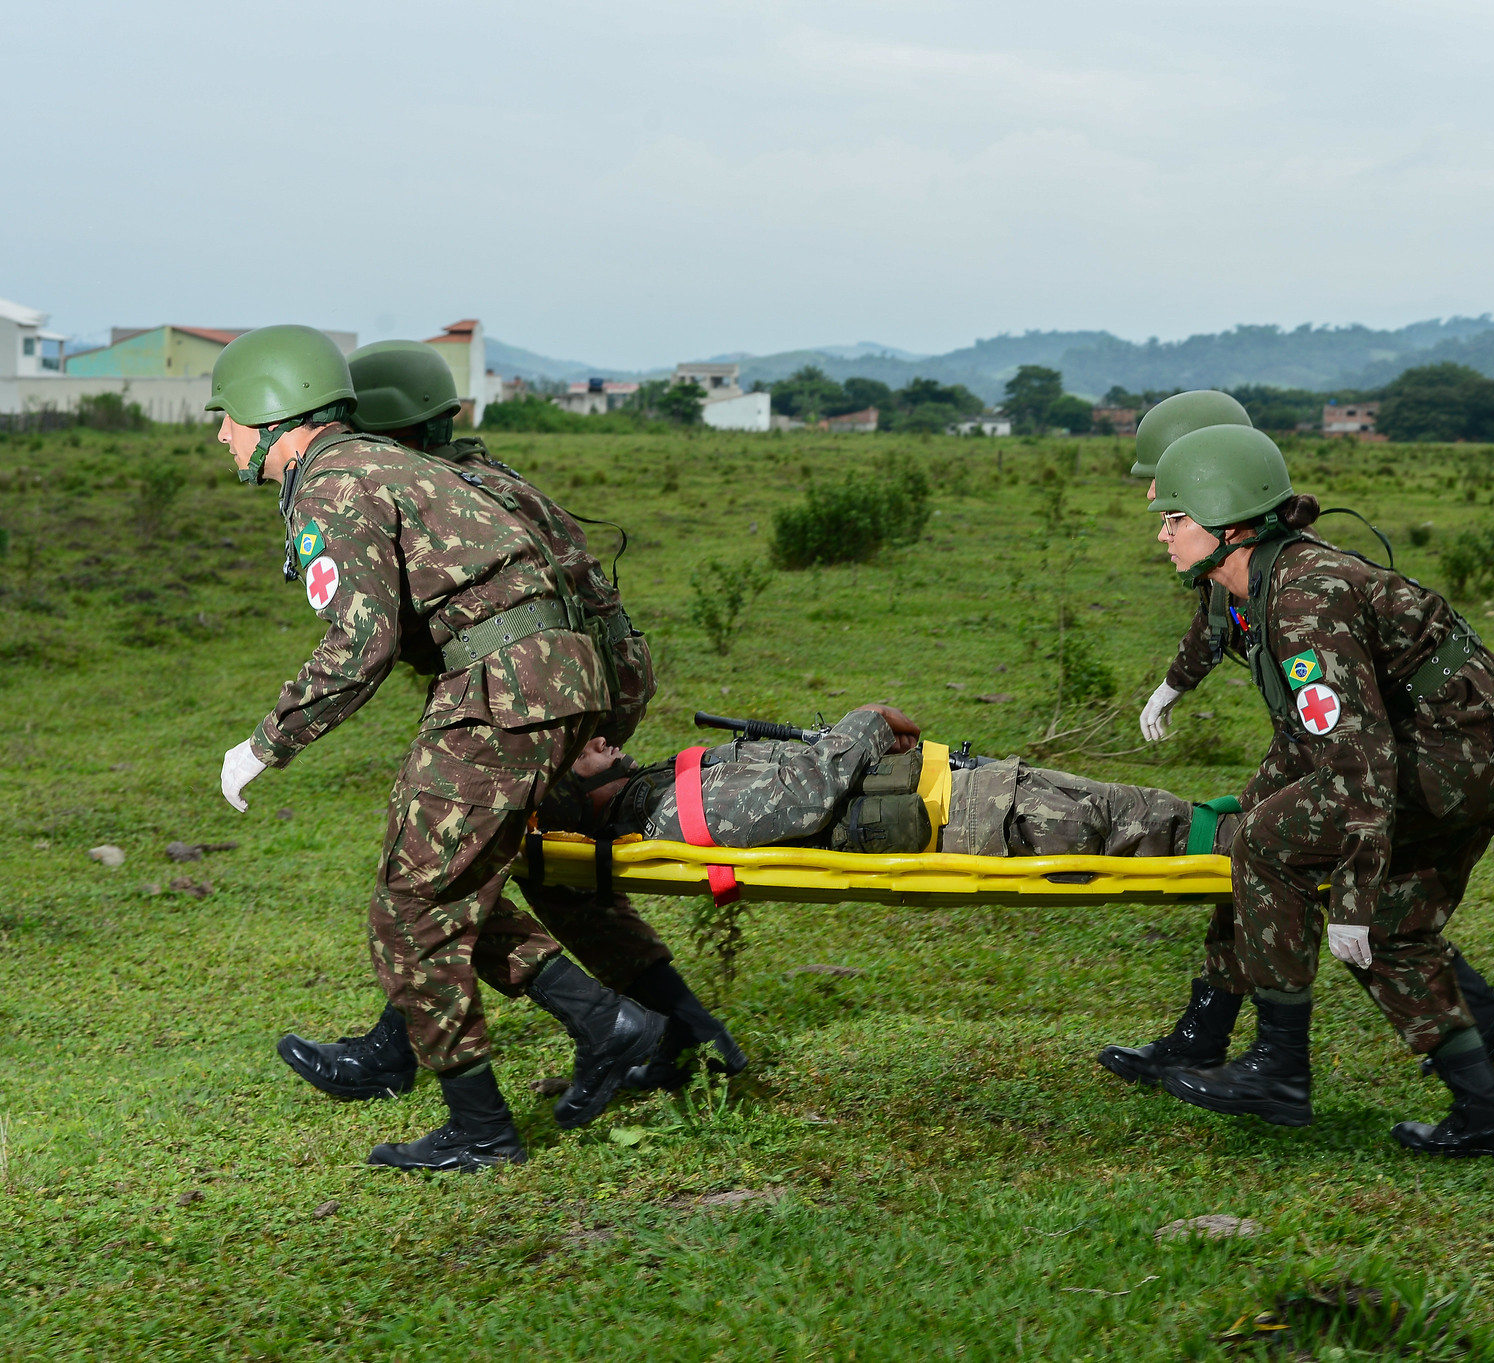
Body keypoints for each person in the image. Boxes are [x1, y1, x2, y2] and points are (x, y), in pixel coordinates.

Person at [210, 325, 665, 1172]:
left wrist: (267, 742)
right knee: (448, 893)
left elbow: (360, 643)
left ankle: (483, 1130)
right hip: (535, 679)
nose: (222, 436)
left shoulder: (334, 485)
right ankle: (611, 1023)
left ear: (273, 412)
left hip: (504, 690)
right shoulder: (371, 465)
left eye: (227, 417)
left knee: (408, 911)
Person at [273, 340, 743, 1105]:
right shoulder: (476, 479)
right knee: (494, 864)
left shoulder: (438, 487)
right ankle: (684, 1033)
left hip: (543, 697)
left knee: (462, 869)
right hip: (571, 687)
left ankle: (648, 1032)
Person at [1102, 393, 1494, 1094]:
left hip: (1455, 747)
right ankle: (1205, 1035)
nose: (1154, 507)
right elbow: (1220, 624)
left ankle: (1282, 1067)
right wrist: (1174, 684)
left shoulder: (1303, 594)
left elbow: (1359, 763)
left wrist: (1356, 894)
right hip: (1437, 730)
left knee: (1318, 872)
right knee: (1255, 833)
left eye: (1170, 503)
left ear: (1225, 498)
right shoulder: (1255, 567)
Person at [545, 703, 1241, 861]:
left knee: (1156, 810)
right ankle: (1290, 845)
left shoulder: (668, 792)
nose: (594, 739)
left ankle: (1277, 831)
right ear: (575, 797)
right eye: (578, 753)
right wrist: (868, 719)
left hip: (973, 795)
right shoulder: (678, 814)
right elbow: (807, 793)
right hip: (977, 818)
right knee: (1159, 826)